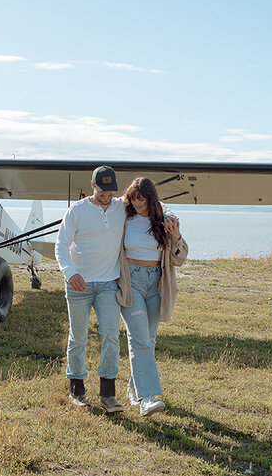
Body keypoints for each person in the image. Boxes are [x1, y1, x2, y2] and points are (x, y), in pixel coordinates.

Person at [55, 165, 127, 413]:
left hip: (108, 283)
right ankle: (77, 390)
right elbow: (61, 245)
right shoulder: (77, 210)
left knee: (110, 335)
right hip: (79, 283)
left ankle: (108, 394)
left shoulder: (121, 207)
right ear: (93, 186)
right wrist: (70, 272)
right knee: (79, 336)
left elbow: (148, 204)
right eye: (102, 190)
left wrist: (169, 214)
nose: (107, 195)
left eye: (111, 191)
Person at [116, 177, 189, 416]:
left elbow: (180, 258)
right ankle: (147, 398)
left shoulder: (163, 222)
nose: (137, 203)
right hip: (132, 282)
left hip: (156, 284)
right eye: (133, 199)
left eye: (142, 199)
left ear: (151, 198)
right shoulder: (125, 218)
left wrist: (176, 232)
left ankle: (134, 389)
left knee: (148, 339)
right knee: (139, 339)